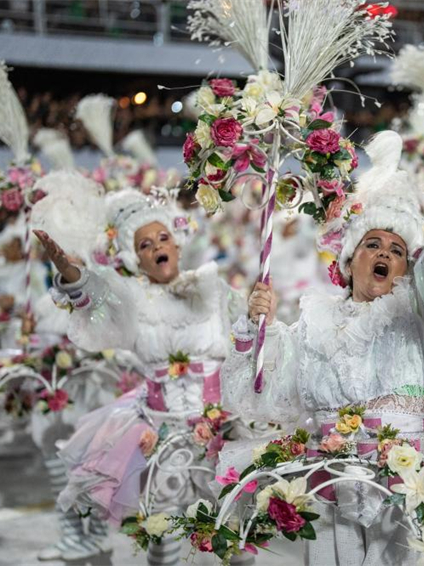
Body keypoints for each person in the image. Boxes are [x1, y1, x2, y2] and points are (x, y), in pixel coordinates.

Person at [222, 106, 424, 564]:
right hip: (329, 490)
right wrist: (253, 333)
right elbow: (265, 396)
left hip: (405, 491)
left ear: (406, 267)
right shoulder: (312, 323)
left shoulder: (421, 312)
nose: (383, 253)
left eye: (396, 250)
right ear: (349, 259)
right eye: (372, 244)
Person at [35, 189, 245, 566]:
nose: (157, 247)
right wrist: (70, 272)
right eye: (145, 244)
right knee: (162, 536)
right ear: (136, 258)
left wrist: (263, 312)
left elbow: (250, 338)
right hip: (160, 432)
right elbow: (95, 299)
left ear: (178, 244)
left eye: (163, 238)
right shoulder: (132, 299)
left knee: (235, 534)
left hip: (221, 430)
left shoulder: (213, 289)